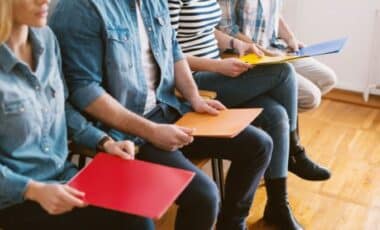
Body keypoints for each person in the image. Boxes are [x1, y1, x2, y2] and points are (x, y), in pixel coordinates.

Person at [49, 0, 272, 229]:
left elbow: (173, 49)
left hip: (168, 110)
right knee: (204, 196)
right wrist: (151, 131)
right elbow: (83, 90)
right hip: (128, 133)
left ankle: (232, 225)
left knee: (259, 145)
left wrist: (194, 97)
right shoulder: (80, 8)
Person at [0, 0, 154, 229]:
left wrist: (103, 142)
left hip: (63, 178)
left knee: (135, 202)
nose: (45, 1)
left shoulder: (46, 38)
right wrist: (33, 190)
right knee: (133, 217)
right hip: (15, 200)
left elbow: (62, 107)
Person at [168, 0, 303, 229]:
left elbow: (208, 28)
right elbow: (166, 51)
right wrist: (216, 67)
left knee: (277, 115)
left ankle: (277, 205)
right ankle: (295, 151)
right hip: (192, 79)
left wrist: (236, 44)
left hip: (216, 70)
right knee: (283, 71)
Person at [217, 0, 333, 181]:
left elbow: (274, 15)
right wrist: (263, 52)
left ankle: (282, 145)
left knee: (326, 78)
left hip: (274, 47)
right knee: (310, 97)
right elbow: (226, 28)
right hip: (248, 54)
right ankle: (291, 151)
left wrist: (290, 38)